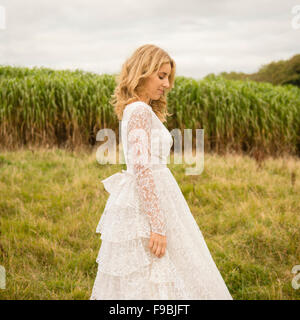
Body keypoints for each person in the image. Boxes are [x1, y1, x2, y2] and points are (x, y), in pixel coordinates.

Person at [90, 44, 233, 300]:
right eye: (161, 76)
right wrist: (157, 225)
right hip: (150, 192)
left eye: (168, 77)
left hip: (158, 191)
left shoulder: (138, 109)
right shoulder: (139, 110)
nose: (167, 84)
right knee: (155, 261)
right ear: (142, 73)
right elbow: (142, 167)